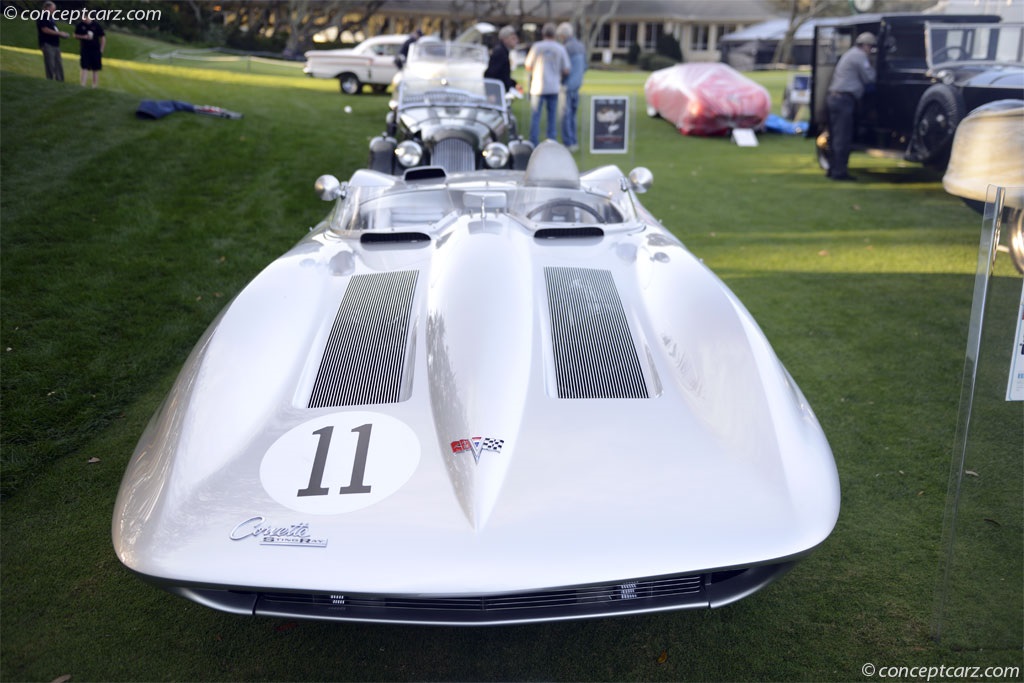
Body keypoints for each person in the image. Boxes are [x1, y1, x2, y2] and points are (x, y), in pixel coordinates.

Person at [825, 32, 877, 181]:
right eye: (871, 47)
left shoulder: (849, 54)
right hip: (844, 100)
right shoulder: (860, 57)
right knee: (843, 137)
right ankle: (840, 172)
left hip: (834, 98)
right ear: (866, 45)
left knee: (834, 136)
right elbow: (870, 77)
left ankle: (832, 168)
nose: (871, 50)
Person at [524, 23, 570, 146]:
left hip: (538, 87)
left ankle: (533, 142)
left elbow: (528, 65)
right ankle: (551, 142)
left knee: (535, 116)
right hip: (553, 87)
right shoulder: (560, 48)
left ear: (543, 34)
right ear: (555, 34)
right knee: (552, 118)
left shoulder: (537, 47)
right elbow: (566, 69)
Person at [556, 22, 587, 152]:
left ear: (563, 35)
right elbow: (585, 66)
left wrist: (560, 80)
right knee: (573, 115)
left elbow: (564, 68)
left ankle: (568, 143)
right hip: (577, 85)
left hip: (567, 86)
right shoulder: (581, 46)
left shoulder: (566, 48)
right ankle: (574, 141)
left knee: (565, 115)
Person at [37, 1, 69, 81]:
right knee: (50, 64)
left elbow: (54, 29)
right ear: (47, 8)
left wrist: (61, 34)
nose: (54, 10)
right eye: (53, 9)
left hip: (55, 44)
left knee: (58, 63)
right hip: (47, 44)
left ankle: (60, 81)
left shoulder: (51, 18)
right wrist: (59, 33)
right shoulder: (42, 16)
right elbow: (45, 29)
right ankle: (50, 80)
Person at [484, 25, 519, 93]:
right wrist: (491, 93)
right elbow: (490, 73)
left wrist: (512, 83)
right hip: (496, 92)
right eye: (513, 38)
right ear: (505, 39)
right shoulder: (500, 52)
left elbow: (502, 74)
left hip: (501, 90)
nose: (516, 41)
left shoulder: (504, 51)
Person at [74, 15, 106, 88]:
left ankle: (94, 85)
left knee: (95, 68)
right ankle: (83, 84)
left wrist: (101, 49)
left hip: (95, 50)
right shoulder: (80, 25)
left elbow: (103, 37)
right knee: (84, 66)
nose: (83, 19)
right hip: (85, 49)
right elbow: (75, 35)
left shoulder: (96, 25)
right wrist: (83, 37)